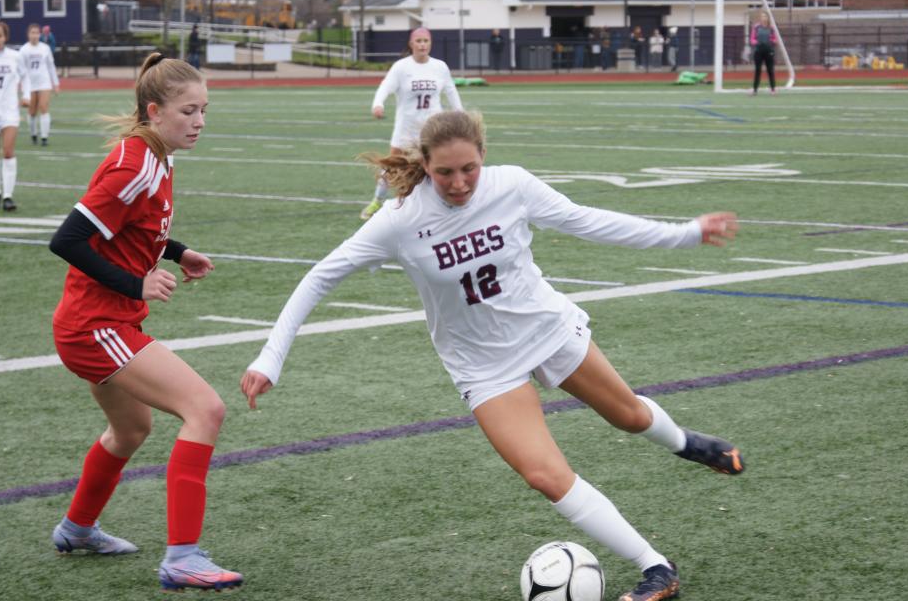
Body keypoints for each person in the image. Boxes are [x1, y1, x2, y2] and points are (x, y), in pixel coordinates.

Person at [241, 110, 744, 601]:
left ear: (483, 155)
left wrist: (685, 233)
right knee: (545, 475)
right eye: (444, 172)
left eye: (468, 169)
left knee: (630, 415)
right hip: (483, 366)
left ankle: (686, 443)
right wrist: (271, 357)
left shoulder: (513, 185)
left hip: (546, 328)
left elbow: (589, 222)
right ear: (426, 166)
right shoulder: (400, 220)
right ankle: (655, 567)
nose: (459, 183)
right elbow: (320, 277)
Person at [48, 53, 242, 592]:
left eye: (204, 109)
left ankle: (77, 529)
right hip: (94, 326)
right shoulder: (133, 164)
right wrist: (136, 284)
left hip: (102, 321)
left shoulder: (159, 156)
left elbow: (132, 226)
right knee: (205, 408)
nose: (199, 121)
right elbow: (65, 240)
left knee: (132, 429)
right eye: (188, 111)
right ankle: (182, 557)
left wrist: (176, 252)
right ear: (155, 111)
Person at [360, 27, 463, 220]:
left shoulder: (440, 66)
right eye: (419, 41)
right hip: (406, 128)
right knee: (391, 166)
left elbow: (451, 91)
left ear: (430, 43)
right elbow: (385, 87)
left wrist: (460, 114)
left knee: (437, 166)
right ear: (411, 44)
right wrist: (378, 104)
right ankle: (377, 201)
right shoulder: (401, 67)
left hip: (432, 130)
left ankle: (442, 204)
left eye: (426, 41)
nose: (422, 45)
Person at [0, 21, 29, 212]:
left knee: (7, 152)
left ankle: (8, 196)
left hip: (9, 112)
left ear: (5, 37)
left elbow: (25, 76)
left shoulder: (15, 56)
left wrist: (27, 95)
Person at [20, 23, 60, 146]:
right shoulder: (24, 50)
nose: (35, 35)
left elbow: (51, 66)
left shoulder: (45, 48)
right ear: (28, 35)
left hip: (44, 82)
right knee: (32, 111)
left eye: (37, 33)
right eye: (32, 33)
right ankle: (33, 134)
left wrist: (56, 83)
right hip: (30, 84)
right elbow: (21, 70)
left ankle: (44, 137)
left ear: (40, 34)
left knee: (43, 107)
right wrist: (22, 87)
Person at [750, 11, 777, 95]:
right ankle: (755, 90)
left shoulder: (771, 28)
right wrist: (756, 43)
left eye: (765, 16)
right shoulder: (756, 27)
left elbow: (775, 39)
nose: (763, 18)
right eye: (762, 16)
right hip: (758, 51)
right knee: (758, 70)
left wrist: (771, 42)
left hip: (769, 51)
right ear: (760, 18)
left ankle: (773, 89)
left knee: (770, 70)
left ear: (768, 18)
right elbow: (752, 39)